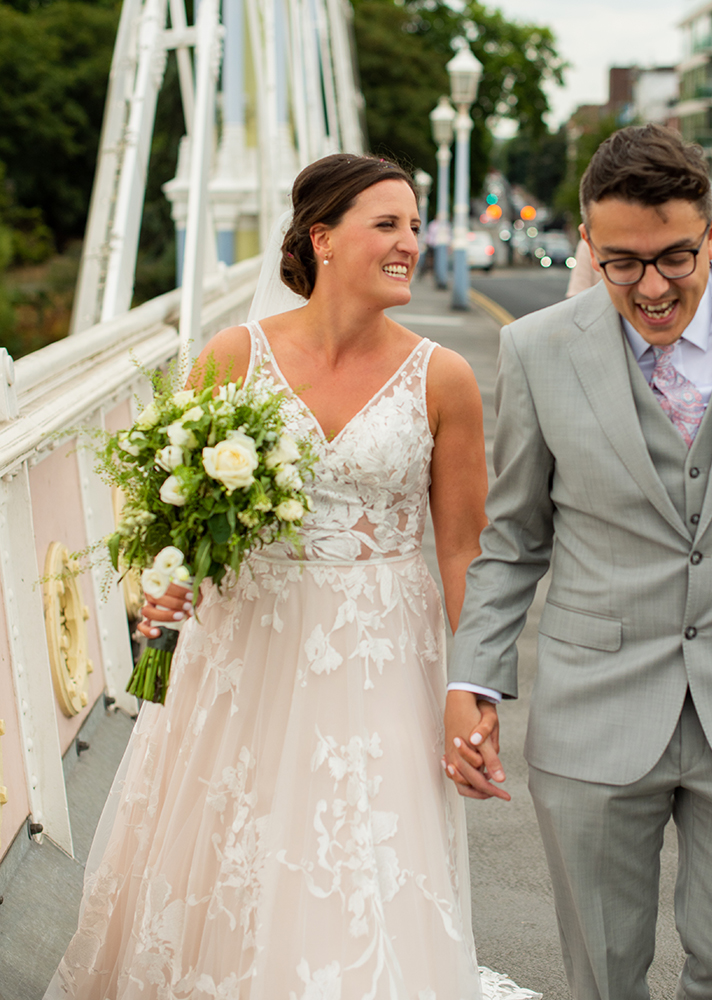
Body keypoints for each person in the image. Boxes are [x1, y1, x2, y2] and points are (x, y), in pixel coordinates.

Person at [46, 154, 537, 999]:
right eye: (387, 224)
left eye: (414, 227)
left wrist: (475, 687)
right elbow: (180, 513)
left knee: (363, 857)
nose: (409, 243)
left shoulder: (444, 378)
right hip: (248, 652)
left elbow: (463, 550)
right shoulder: (234, 355)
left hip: (382, 659)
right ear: (323, 238)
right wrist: (169, 587)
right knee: (237, 847)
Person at [444, 123, 712, 1000]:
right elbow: (514, 537)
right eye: (622, 263)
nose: (651, 287)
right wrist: (473, 677)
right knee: (602, 978)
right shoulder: (536, 348)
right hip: (595, 710)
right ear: (588, 244)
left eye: (676, 258)